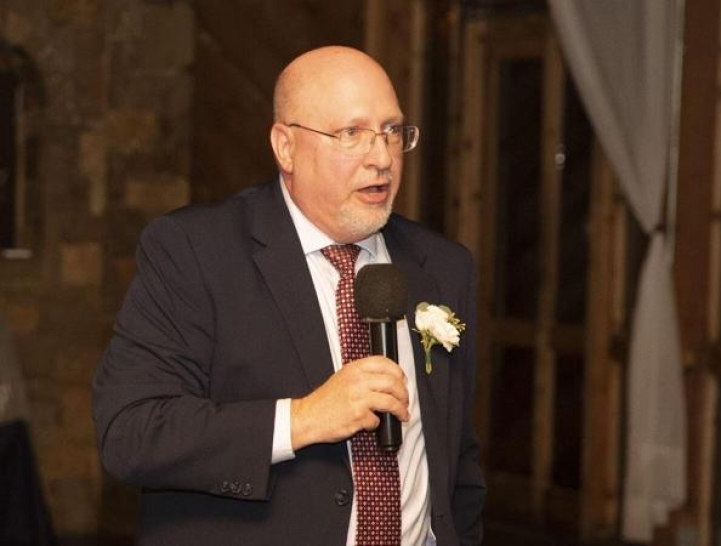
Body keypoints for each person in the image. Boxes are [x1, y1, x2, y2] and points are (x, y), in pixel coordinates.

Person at [92, 46, 485, 546]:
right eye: (352, 133)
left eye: (392, 131)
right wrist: (301, 420)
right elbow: (131, 434)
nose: (383, 157)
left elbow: (457, 460)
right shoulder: (195, 252)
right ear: (286, 147)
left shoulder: (444, 266)